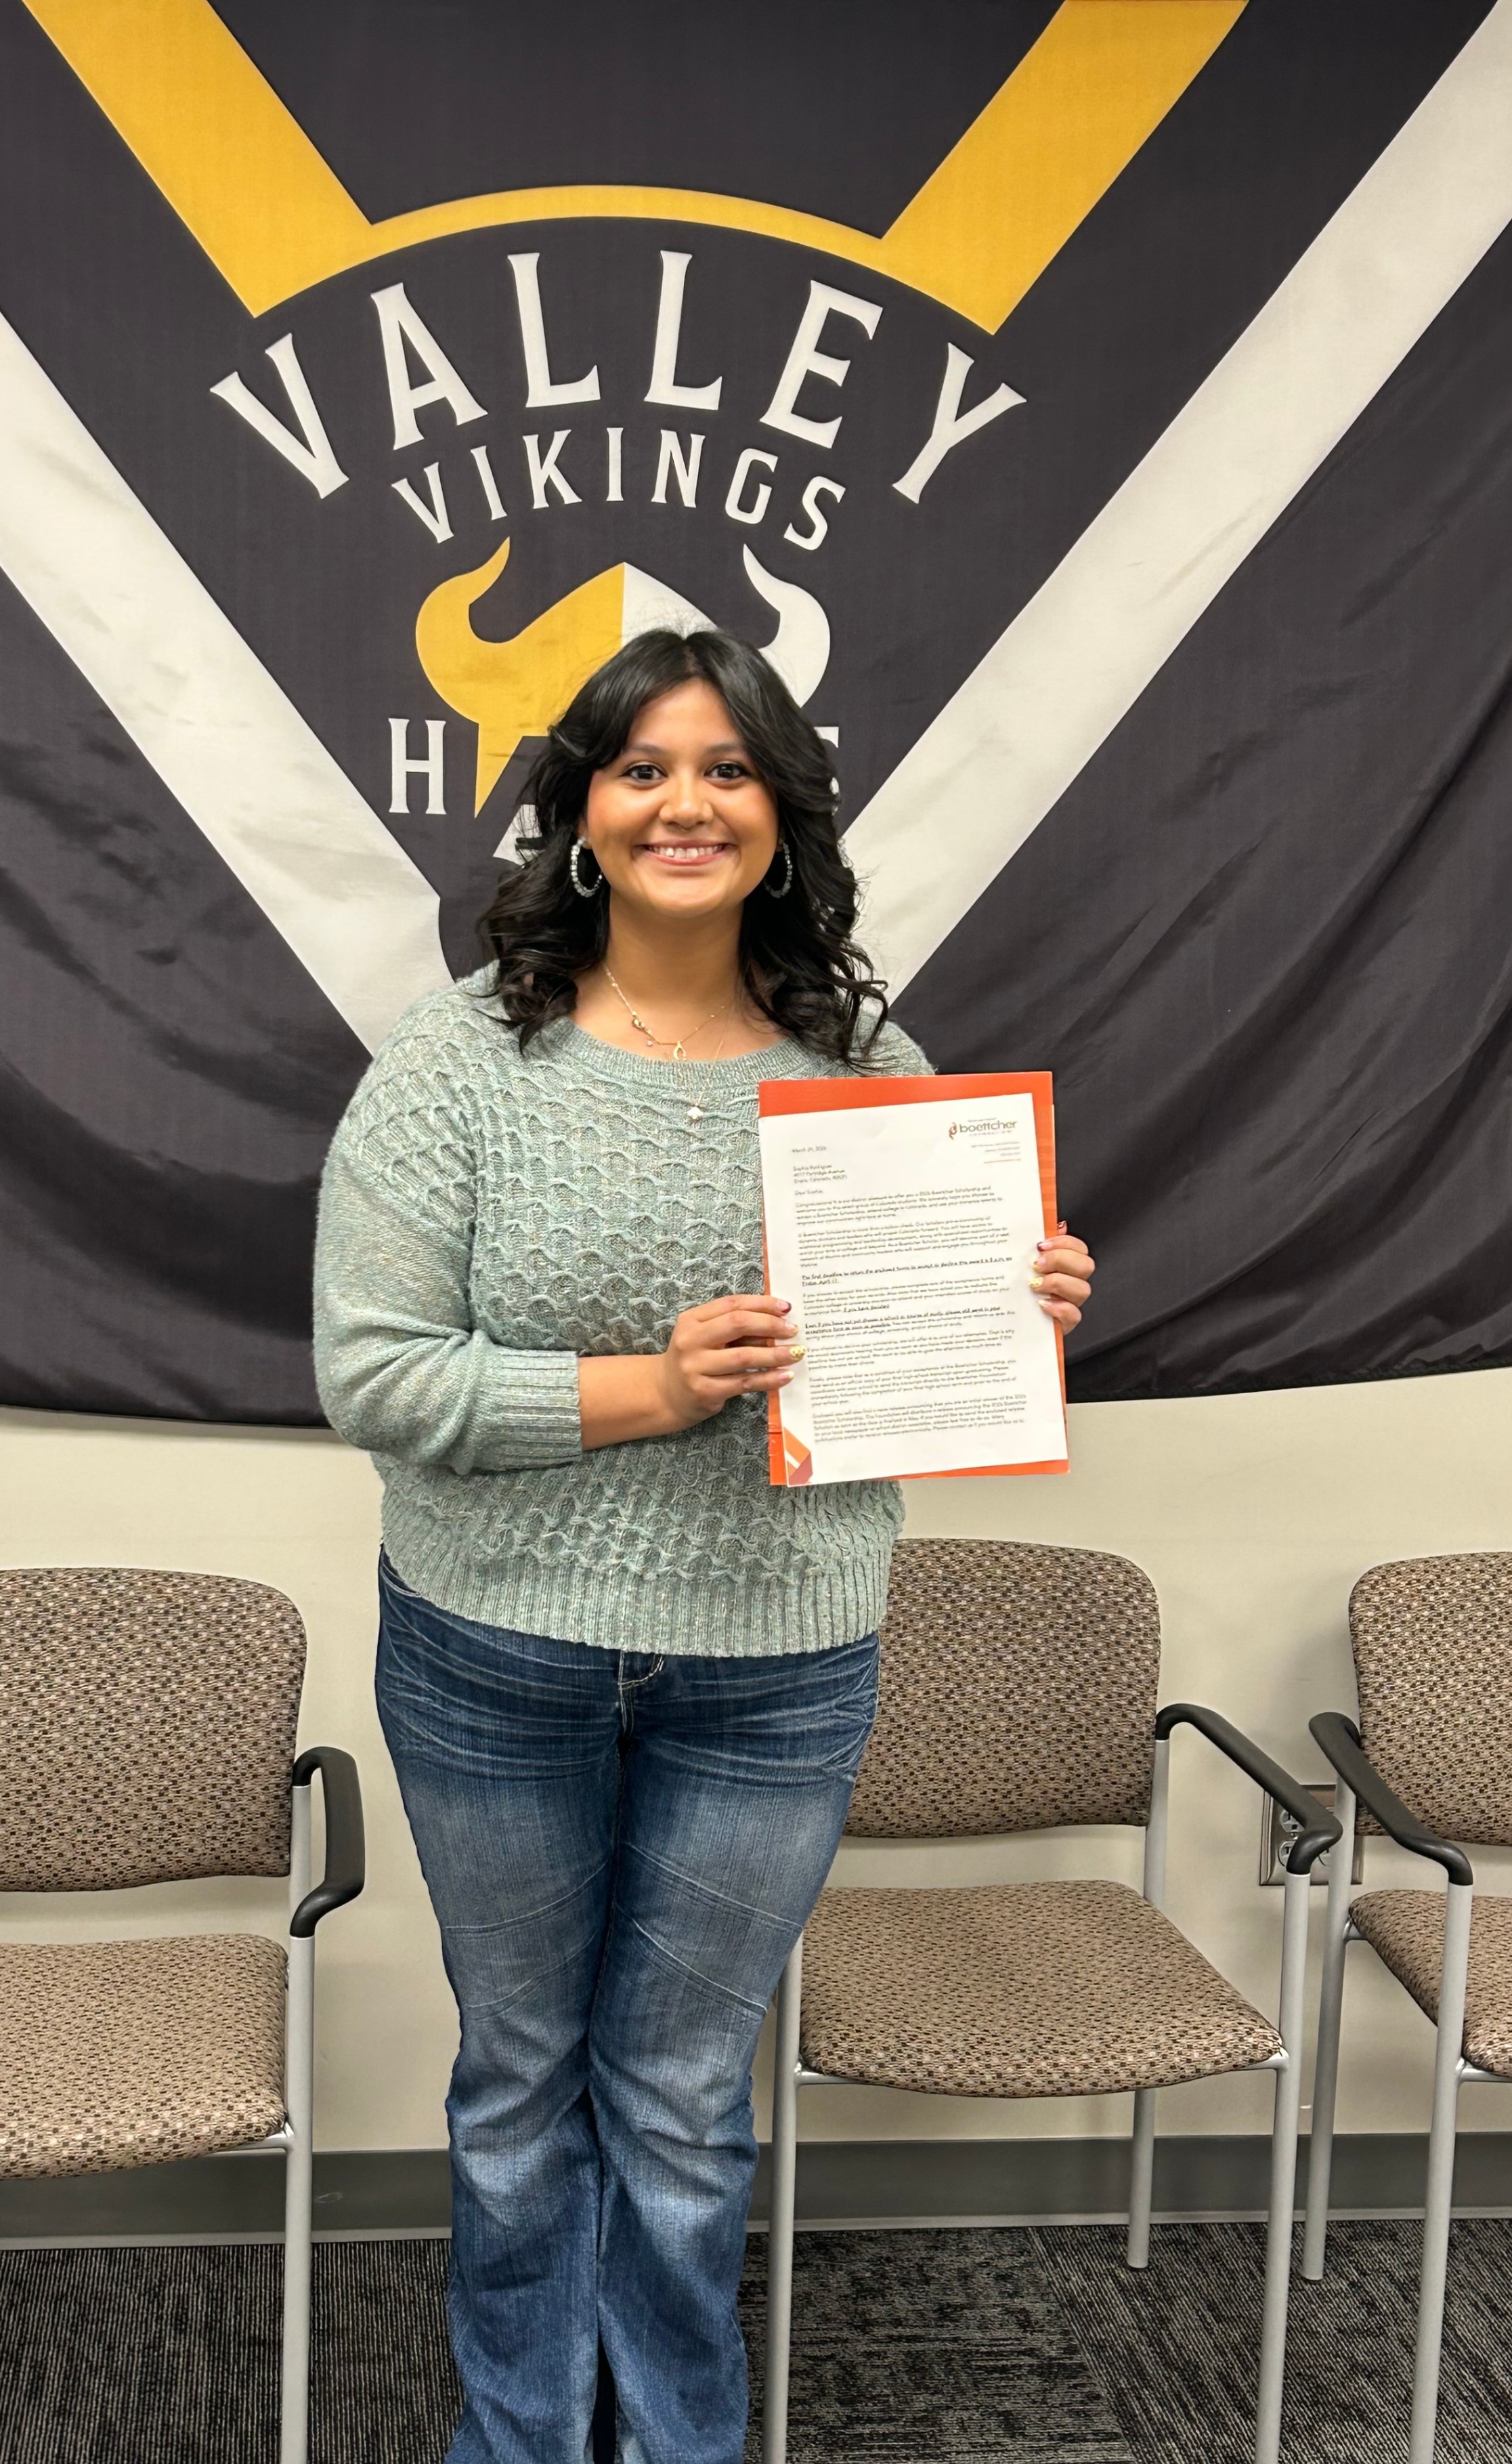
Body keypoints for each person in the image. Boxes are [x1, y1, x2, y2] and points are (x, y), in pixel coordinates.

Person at [313, 629, 1095, 2464]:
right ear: (582, 812)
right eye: (644, 767)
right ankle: (517, 2439)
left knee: (677, 2104)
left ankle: (677, 2441)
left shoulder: (869, 1063)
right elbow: (378, 1377)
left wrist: (1019, 1306)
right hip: (495, 1645)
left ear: (780, 814)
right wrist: (647, 1390)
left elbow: (917, 1357)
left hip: (781, 1660)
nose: (687, 802)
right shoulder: (459, 1070)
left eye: (728, 769)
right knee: (522, 2087)